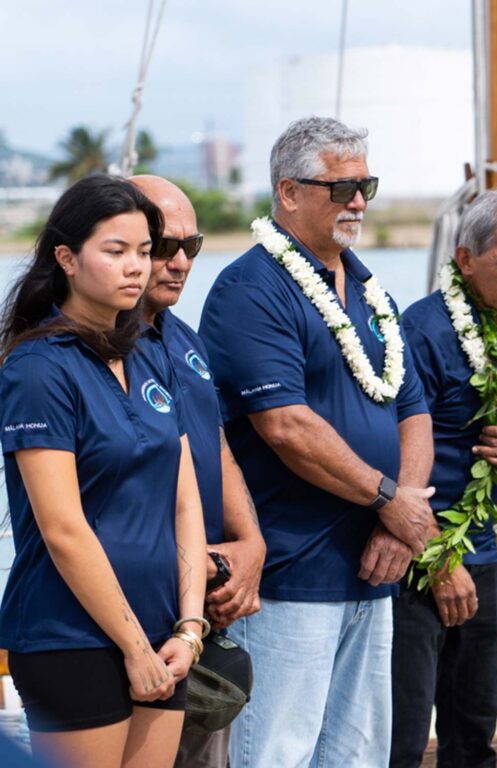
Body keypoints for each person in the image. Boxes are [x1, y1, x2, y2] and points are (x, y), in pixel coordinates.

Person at [199, 116, 436, 768]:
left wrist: (402, 515)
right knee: (277, 752)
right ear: (288, 192)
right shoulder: (250, 289)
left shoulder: (368, 288)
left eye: (367, 185)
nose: (357, 201)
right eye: (340, 187)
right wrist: (388, 498)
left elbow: (412, 408)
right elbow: (286, 426)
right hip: (290, 575)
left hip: (375, 567)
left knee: (359, 754)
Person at [0, 175, 207, 768]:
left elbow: (185, 501)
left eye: (145, 251)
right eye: (115, 252)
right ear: (66, 258)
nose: (137, 267)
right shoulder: (38, 369)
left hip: (164, 633)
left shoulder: (147, 352)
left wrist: (189, 627)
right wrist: (133, 648)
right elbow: (63, 528)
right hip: (72, 637)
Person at [391, 190, 497, 767]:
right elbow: (394, 457)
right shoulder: (422, 332)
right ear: (464, 260)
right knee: (402, 740)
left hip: (482, 555)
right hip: (421, 559)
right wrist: (440, 562)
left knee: (474, 732)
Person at [129, 175, 267, 768]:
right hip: (139, 603)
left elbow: (216, 444)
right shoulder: (88, 351)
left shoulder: (185, 340)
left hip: (202, 604)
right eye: (164, 247)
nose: (181, 262)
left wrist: (249, 542)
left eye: (194, 246)